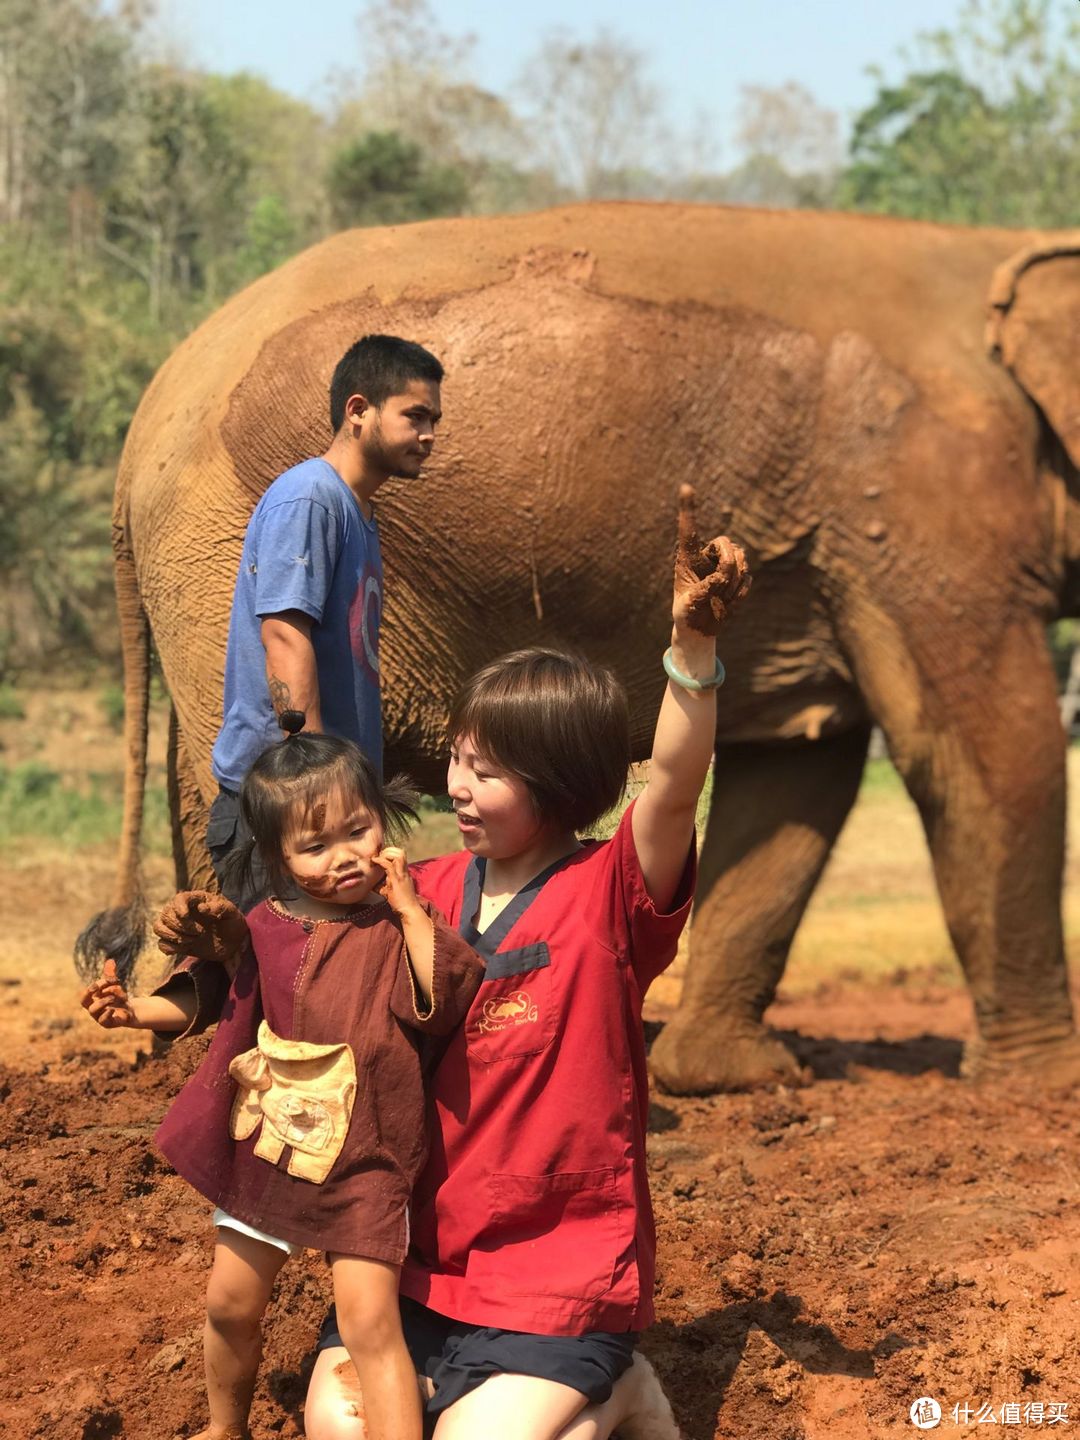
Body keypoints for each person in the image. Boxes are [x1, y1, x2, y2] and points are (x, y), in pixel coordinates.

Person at [302, 485, 751, 1440]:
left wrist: (694, 653)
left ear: (555, 782)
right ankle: (590, 1417)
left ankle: (618, 1381)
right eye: (459, 760)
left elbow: (674, 786)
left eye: (489, 771)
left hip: (561, 1275)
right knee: (340, 1422)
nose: (459, 787)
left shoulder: (611, 894)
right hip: (420, 1266)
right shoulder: (414, 887)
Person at [81, 729, 485, 1440]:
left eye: (358, 830)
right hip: (270, 1142)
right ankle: (223, 1427)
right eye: (315, 846)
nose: (345, 857)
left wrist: (413, 908)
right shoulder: (265, 928)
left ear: (382, 825)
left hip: (366, 1158)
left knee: (369, 1325)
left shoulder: (399, 930)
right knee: (230, 1304)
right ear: (279, 860)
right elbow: (213, 998)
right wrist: (133, 1012)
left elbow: (444, 997)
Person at [208, 334, 444, 909]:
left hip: (324, 809)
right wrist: (316, 784)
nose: (429, 435)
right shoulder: (311, 498)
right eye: (415, 416)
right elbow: (285, 635)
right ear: (358, 411)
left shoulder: (358, 513)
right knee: (282, 986)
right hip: (289, 804)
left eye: (434, 419)